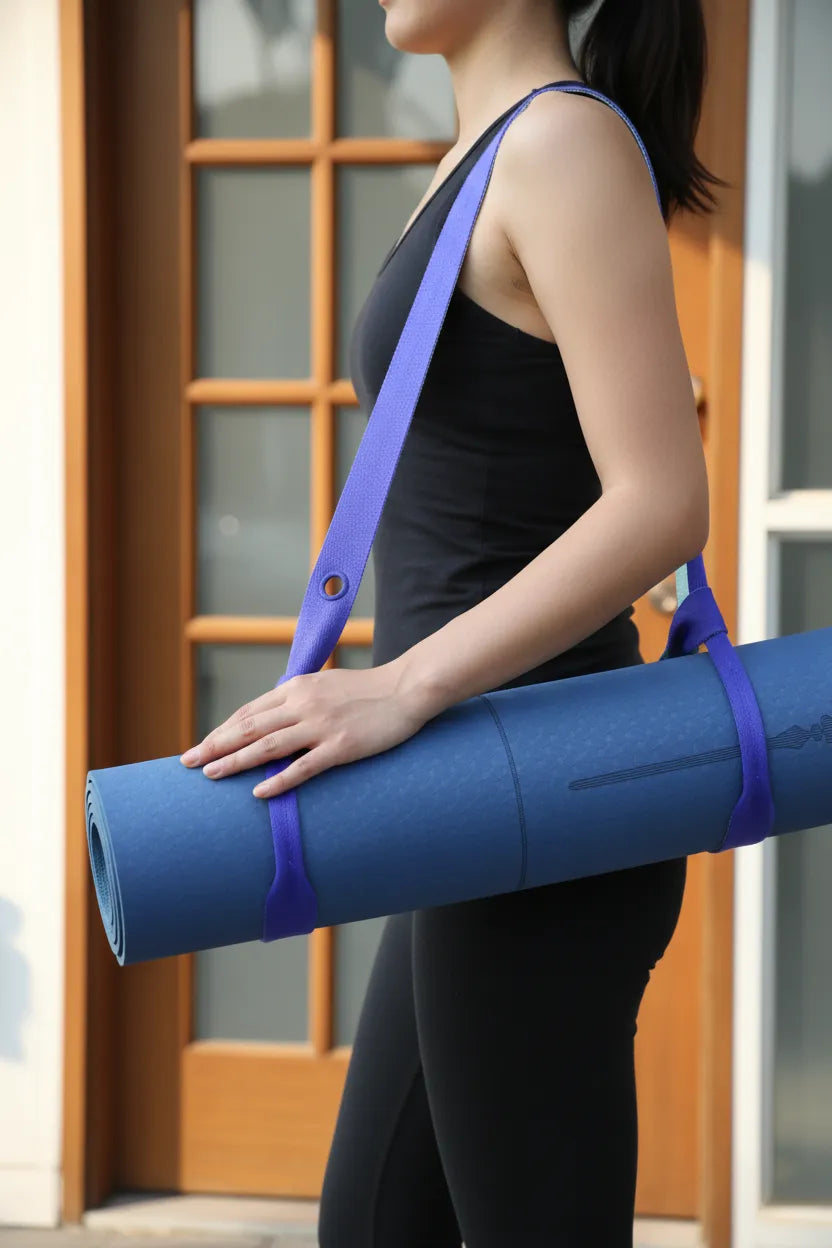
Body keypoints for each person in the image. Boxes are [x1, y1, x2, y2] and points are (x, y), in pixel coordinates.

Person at [183, 0, 721, 1243]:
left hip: (537, 798)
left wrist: (403, 683)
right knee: (375, 1225)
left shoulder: (559, 145)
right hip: (474, 802)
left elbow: (662, 500)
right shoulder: (489, 150)